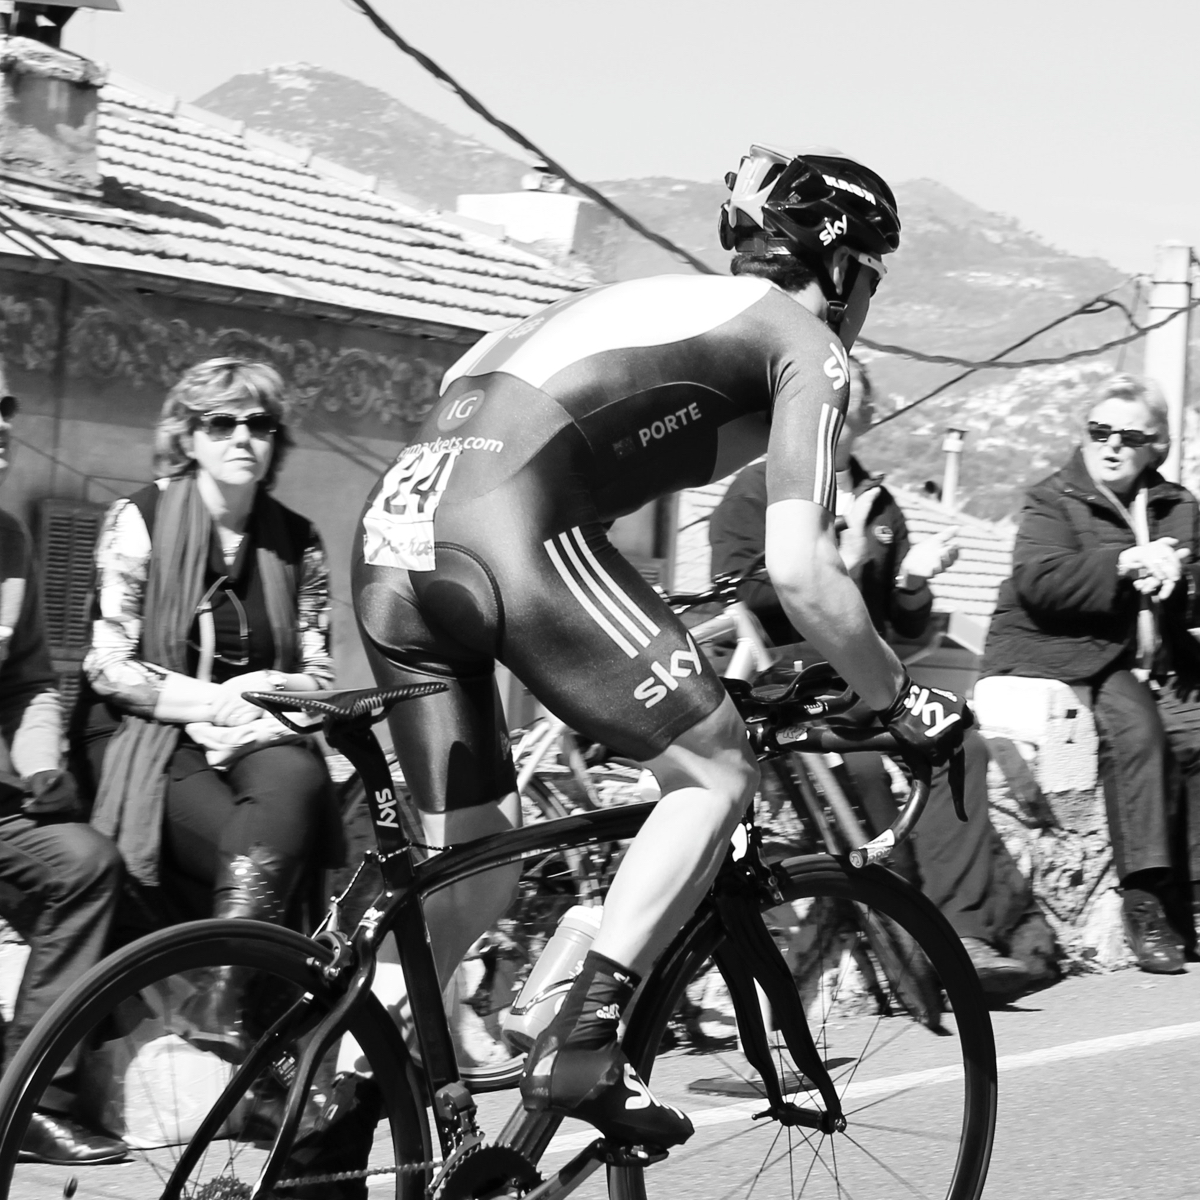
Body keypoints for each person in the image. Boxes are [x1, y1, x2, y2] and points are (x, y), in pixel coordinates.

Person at [347, 143, 971, 1153]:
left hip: (395, 533)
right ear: (844, 268)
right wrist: (902, 701)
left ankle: (332, 1101)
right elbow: (805, 573)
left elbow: (478, 391)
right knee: (714, 769)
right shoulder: (805, 345)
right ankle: (585, 1041)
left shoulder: (637, 304)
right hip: (509, 530)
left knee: (474, 867)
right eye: (875, 279)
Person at [710, 357, 1035, 999]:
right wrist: (841, 558)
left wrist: (912, 580)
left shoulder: (880, 504)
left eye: (847, 402)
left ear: (863, 415)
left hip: (869, 681)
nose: (834, 413)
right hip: (792, 686)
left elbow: (904, 628)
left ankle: (962, 935)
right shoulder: (756, 492)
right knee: (861, 771)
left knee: (958, 743)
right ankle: (910, 951)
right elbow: (735, 604)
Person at [72, 358, 342, 1044]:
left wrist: (259, 693)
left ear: (276, 441)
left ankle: (221, 999)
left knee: (298, 776)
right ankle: (276, 1047)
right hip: (146, 733)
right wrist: (215, 703)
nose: (241, 437)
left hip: (257, 728)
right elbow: (108, 665)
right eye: (220, 423)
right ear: (188, 437)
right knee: (261, 843)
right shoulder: (139, 518)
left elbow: (318, 673)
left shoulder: (298, 541)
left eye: (259, 424)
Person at [981, 373, 1200, 974]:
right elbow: (1041, 581)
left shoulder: (1176, 505)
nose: (1111, 444)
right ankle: (1146, 901)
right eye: (1099, 430)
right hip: (1063, 648)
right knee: (1140, 734)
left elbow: (1194, 587)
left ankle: (1194, 902)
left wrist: (1178, 577)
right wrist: (1127, 562)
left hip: (1150, 655)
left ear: (1157, 447)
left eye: (1130, 435)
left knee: (1195, 733)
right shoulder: (1051, 498)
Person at [0, 390, 127, 1165]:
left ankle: (25, 1100)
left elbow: (29, 683)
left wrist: (42, 764)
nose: (2, 431)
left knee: (86, 866)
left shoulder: (9, 546)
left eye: (5, 412)